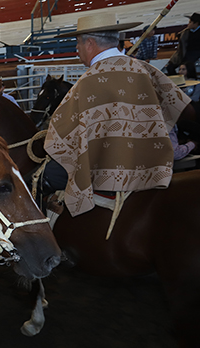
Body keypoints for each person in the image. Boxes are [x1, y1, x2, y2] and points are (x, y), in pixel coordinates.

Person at [42, 13, 191, 217]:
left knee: (46, 175)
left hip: (104, 170)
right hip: (153, 165)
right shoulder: (146, 69)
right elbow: (184, 110)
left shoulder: (87, 82)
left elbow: (60, 135)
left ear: (90, 43)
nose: (76, 50)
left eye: (77, 43)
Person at [166, 13, 200, 77]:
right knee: (170, 67)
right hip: (183, 53)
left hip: (195, 53)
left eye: (190, 22)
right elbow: (181, 45)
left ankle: (192, 81)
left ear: (196, 23)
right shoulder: (186, 32)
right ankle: (177, 81)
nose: (188, 24)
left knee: (188, 67)